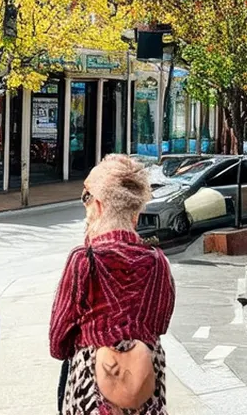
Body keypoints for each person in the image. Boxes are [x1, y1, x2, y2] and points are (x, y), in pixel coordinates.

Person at [50, 154, 175, 415]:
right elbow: (160, 325)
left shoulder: (84, 260)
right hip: (144, 391)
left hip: (92, 392)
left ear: (98, 205)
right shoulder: (157, 262)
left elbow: (57, 342)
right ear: (136, 213)